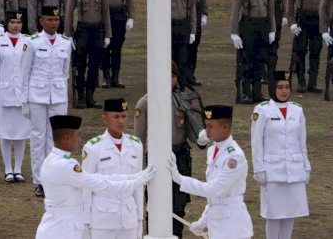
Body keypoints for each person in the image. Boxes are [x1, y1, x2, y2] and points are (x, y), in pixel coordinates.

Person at [35, 115, 155, 238]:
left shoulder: (51, 160)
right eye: (77, 136)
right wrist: (135, 183)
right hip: (63, 229)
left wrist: (133, 177)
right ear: (67, 138)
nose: (79, 140)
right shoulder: (66, 165)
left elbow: (98, 178)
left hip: (57, 225)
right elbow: (101, 185)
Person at [135, 61, 209, 238]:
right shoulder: (146, 103)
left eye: (173, 76)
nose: (170, 80)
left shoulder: (183, 100)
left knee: (179, 204)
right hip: (154, 158)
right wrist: (140, 166)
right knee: (154, 205)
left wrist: (202, 137)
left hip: (179, 156)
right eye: (167, 76)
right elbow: (139, 138)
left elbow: (192, 133)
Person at [168, 104, 254, 239]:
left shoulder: (234, 157)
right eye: (206, 125)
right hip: (217, 222)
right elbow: (215, 199)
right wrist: (203, 221)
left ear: (225, 127)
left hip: (233, 225)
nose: (206, 130)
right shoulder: (212, 150)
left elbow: (214, 189)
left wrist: (179, 179)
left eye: (210, 126)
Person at [251, 70, 311, 239]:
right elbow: (256, 143)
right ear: (272, 88)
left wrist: (306, 166)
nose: (284, 91)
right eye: (279, 87)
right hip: (273, 170)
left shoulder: (297, 110)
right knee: (274, 215)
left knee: (290, 213)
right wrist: (259, 169)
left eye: (287, 87)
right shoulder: (262, 110)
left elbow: (302, 142)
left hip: (294, 168)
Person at [22, 5, 72, 198]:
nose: (53, 23)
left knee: (57, 138)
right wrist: (24, 102)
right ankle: (39, 180)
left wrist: (64, 98)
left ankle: (56, 177)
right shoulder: (32, 42)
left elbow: (65, 73)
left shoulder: (65, 43)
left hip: (58, 95)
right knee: (38, 138)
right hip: (37, 95)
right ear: (41, 20)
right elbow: (24, 73)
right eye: (49, 20)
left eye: (56, 20)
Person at [81, 98, 143, 238]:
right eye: (116, 117)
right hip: (102, 219)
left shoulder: (135, 145)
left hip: (128, 218)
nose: (120, 121)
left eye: (124, 116)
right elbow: (85, 187)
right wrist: (85, 223)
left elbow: (138, 186)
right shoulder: (94, 147)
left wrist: (139, 219)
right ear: (105, 118)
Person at [0, 11, 32, 181]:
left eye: (18, 22)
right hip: (3, 92)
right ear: (7, 23)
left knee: (21, 133)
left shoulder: (28, 42)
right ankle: (8, 169)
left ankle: (18, 169)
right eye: (12, 22)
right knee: (5, 133)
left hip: (21, 93)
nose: (15, 25)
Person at [65, 0, 111, 109]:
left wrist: (107, 35)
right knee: (80, 65)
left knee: (94, 65)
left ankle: (90, 96)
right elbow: (69, 13)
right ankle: (81, 96)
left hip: (97, 30)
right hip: (83, 30)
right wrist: (68, 34)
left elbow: (106, 14)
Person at [230, 0, 275, 104]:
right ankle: (246, 91)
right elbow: (235, 11)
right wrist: (234, 32)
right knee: (247, 60)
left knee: (260, 60)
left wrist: (272, 29)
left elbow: (271, 11)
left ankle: (257, 92)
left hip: (263, 25)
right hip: (248, 25)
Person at [287, 0, 326, 93]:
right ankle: (301, 82)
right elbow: (290, 2)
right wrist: (291, 22)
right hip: (302, 18)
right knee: (300, 51)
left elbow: (327, 4)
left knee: (316, 51)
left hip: (317, 19)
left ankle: (313, 82)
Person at [96, 0, 134, 89]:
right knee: (106, 46)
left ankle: (116, 76)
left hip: (119, 14)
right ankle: (106, 76)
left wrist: (131, 17)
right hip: (105, 14)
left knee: (117, 47)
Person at [170, 0, 196, 90]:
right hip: (169, 25)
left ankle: (181, 86)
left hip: (183, 25)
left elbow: (192, 10)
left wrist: (192, 30)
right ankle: (170, 85)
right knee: (170, 58)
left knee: (183, 58)